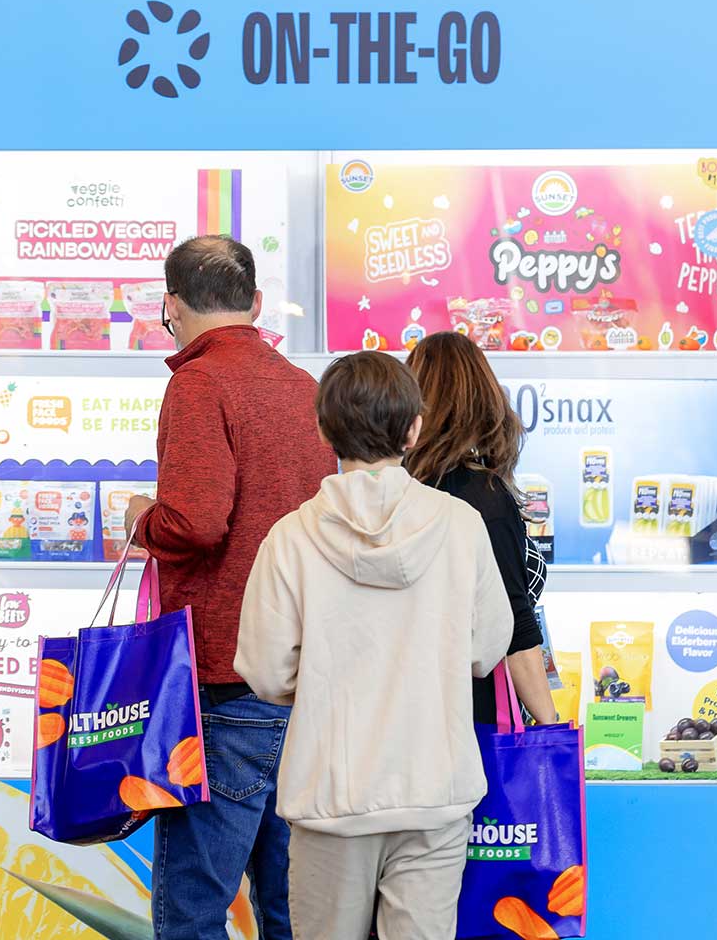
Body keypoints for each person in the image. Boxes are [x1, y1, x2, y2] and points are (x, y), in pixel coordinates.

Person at [234, 350, 513, 940]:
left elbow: (264, 669)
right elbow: (487, 649)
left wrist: (318, 682)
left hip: (330, 798)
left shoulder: (291, 537)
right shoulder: (460, 525)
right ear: (414, 429)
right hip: (434, 790)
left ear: (322, 429)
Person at [123, 234, 332, 940]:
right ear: (258, 304)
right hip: (304, 679)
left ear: (171, 306)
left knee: (193, 905)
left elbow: (198, 521)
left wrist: (142, 521)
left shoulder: (199, 383)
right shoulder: (305, 388)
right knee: (290, 905)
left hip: (221, 675)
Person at [405, 332, 558, 726]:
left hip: (409, 709)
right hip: (476, 716)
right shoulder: (483, 498)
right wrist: (549, 724)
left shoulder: (401, 489)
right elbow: (514, 628)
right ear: (482, 399)